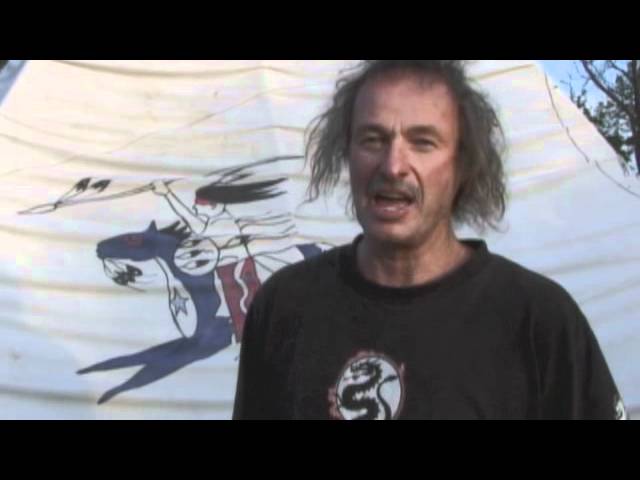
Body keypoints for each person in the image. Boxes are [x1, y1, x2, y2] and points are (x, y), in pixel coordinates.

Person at [232, 60, 627, 420]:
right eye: (372, 139)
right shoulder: (285, 307)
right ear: (346, 153)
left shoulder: (539, 321)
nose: (393, 166)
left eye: (423, 142)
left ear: (463, 164)